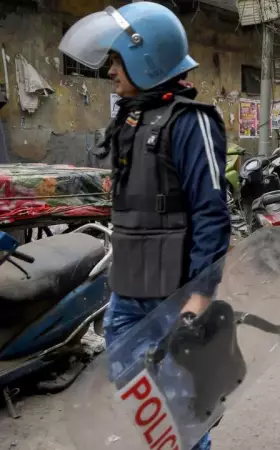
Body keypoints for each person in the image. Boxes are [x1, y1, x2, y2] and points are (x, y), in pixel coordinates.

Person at [60, 3, 229, 449]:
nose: (111, 70)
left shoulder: (191, 122)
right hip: (129, 288)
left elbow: (212, 213)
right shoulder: (132, 117)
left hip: (172, 295)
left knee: (181, 405)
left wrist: (200, 295)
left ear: (146, 58)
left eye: (118, 60)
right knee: (143, 398)